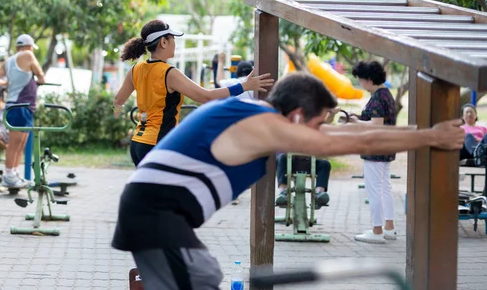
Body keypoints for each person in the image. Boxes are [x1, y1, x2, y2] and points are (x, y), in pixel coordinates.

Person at [111, 72, 464, 289]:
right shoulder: (262, 123)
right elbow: (360, 142)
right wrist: (431, 137)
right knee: (200, 278)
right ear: (297, 115)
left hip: (156, 212)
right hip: (153, 212)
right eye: (316, 123)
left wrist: (426, 132)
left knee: (202, 275)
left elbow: (353, 134)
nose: (318, 133)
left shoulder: (260, 118)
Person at [113, 20, 274, 167]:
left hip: (137, 144)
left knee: (152, 197)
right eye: (173, 39)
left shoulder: (136, 69)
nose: (174, 44)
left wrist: (116, 114)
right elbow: (206, 97)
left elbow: (118, 99)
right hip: (158, 145)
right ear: (163, 42)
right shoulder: (169, 73)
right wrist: (244, 86)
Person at [349, 61, 397, 244]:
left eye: (361, 80)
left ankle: (377, 230)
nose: (360, 84)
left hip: (375, 148)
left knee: (374, 189)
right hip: (386, 147)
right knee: (385, 188)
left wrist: (356, 123)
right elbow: (378, 119)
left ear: (369, 79)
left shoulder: (377, 97)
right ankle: (389, 227)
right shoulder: (386, 94)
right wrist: (360, 118)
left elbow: (376, 124)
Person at [0, 34, 45, 188]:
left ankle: (14, 173)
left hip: (20, 105)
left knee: (21, 142)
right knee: (16, 143)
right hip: (21, 105)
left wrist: (6, 83)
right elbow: (41, 76)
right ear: (28, 46)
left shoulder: (8, 62)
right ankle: (8, 175)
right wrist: (37, 80)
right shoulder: (28, 55)